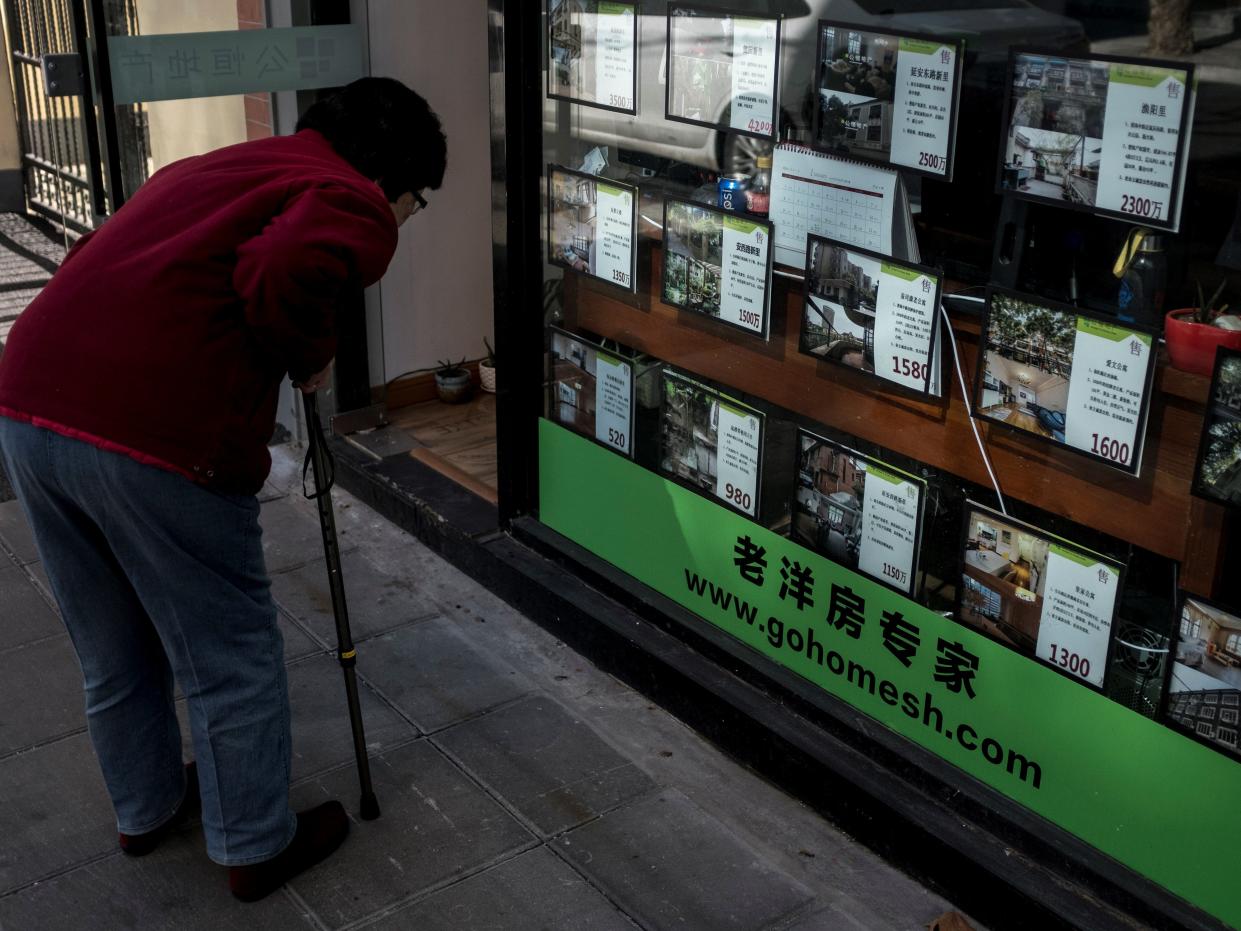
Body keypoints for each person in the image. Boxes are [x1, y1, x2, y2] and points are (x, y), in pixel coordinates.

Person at [0, 77, 446, 901]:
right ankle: (252, 843)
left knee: (112, 644)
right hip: (153, 431)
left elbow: (128, 261)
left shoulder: (220, 168)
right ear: (392, 174)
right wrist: (310, 349)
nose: (405, 220)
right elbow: (282, 264)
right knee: (229, 652)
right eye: (416, 202)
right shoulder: (350, 196)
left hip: (29, 401)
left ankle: (145, 807)